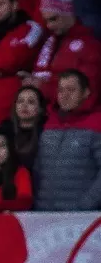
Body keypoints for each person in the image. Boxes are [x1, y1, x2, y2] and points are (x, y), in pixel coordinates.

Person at [33, 70, 101, 211]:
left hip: (80, 219)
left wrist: (85, 206)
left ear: (86, 92)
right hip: (44, 214)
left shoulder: (97, 123)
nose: (64, 95)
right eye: (61, 90)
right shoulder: (48, 124)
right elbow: (38, 170)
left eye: (71, 90)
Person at [26, 0, 101, 108]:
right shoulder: (49, 42)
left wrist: (42, 87)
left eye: (54, 19)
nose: (49, 25)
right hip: (47, 115)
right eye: (46, 21)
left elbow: (87, 94)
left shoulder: (90, 47)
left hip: (73, 120)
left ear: (69, 13)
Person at [0, 85, 46, 170]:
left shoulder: (46, 132)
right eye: (20, 101)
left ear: (40, 108)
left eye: (31, 102)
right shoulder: (5, 130)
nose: (24, 105)